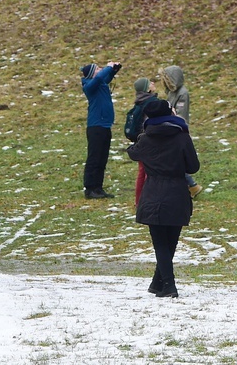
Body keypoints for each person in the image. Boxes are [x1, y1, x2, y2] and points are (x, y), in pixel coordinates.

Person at [127, 100, 200, 298]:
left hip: (153, 193)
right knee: (170, 242)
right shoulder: (182, 137)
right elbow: (193, 166)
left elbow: (133, 153)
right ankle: (161, 283)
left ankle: (166, 284)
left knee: (160, 242)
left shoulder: (146, 139)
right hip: (177, 193)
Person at [159, 65, 202, 198]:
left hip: (177, 129)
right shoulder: (171, 92)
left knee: (174, 159)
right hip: (169, 127)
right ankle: (190, 185)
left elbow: (180, 114)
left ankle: (192, 185)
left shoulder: (182, 93)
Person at [81, 62, 121, 199]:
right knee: (94, 158)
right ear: (92, 73)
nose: (100, 70)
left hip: (105, 125)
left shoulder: (99, 84)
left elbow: (105, 78)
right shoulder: (89, 86)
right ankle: (90, 188)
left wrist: (113, 70)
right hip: (96, 127)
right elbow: (99, 78)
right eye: (98, 69)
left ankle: (98, 187)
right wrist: (108, 67)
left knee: (102, 158)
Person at [129, 78, 158, 207]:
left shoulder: (139, 101)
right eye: (150, 83)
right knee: (149, 171)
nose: (153, 84)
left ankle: (139, 201)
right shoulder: (151, 102)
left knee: (142, 171)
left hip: (140, 140)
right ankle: (146, 201)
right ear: (147, 88)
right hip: (150, 140)